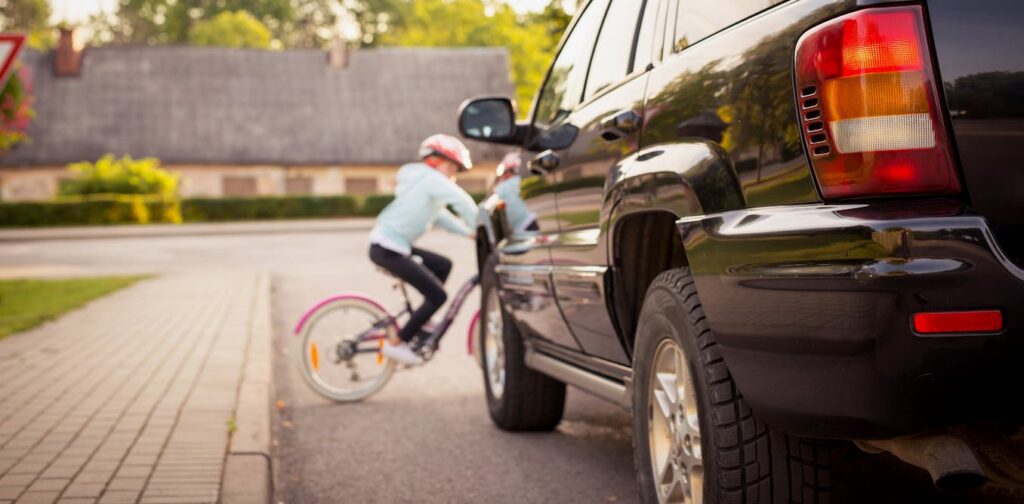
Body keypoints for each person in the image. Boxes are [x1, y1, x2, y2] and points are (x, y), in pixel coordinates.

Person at [368, 134, 479, 365]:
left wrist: (470, 233)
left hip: (393, 246)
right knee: (438, 296)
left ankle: (423, 316)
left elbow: (440, 217)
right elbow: (463, 202)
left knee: (443, 265)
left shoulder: (421, 182)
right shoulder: (431, 179)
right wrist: (485, 225)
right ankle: (398, 342)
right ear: (434, 161)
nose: (453, 174)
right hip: (389, 249)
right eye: (452, 167)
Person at [492, 151, 538, 236]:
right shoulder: (519, 181)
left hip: (521, 225)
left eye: (506, 172)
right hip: (529, 220)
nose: (504, 175)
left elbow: (493, 194)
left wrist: (497, 179)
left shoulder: (503, 186)